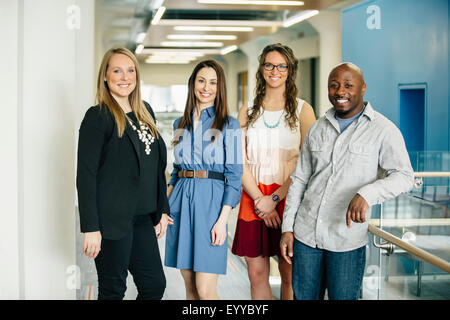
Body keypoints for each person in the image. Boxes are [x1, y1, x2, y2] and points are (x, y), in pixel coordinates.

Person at [280, 62, 415, 300]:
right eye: (334, 85)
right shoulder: (318, 128)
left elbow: (404, 176)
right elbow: (300, 180)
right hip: (306, 235)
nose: (340, 91)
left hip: (346, 241)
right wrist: (288, 228)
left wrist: (367, 194)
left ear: (362, 88)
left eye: (348, 85)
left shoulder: (384, 130)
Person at [76, 47, 172, 300]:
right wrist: (91, 227)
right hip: (110, 222)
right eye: (117, 70)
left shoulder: (146, 112)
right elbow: (85, 175)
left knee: (153, 285)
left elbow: (155, 166)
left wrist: (162, 208)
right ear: (105, 76)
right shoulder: (98, 117)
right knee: (113, 289)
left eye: (130, 71)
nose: (124, 77)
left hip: (141, 219)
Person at [231, 43, 316, 300]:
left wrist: (275, 199)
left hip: (289, 198)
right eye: (269, 64)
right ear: (262, 69)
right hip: (253, 198)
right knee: (256, 274)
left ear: (289, 71)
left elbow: (308, 164)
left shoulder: (303, 110)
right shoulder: (247, 110)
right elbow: (239, 161)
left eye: (281, 66)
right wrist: (260, 199)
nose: (275, 70)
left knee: (289, 274)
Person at [164, 60, 243, 300]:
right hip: (181, 202)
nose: (206, 87)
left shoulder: (230, 125)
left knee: (206, 290)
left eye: (213, 82)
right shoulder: (180, 123)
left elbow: (235, 175)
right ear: (193, 84)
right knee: (190, 289)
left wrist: (222, 220)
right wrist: (162, 208)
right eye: (201, 80)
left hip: (211, 205)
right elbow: (177, 170)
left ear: (220, 88)